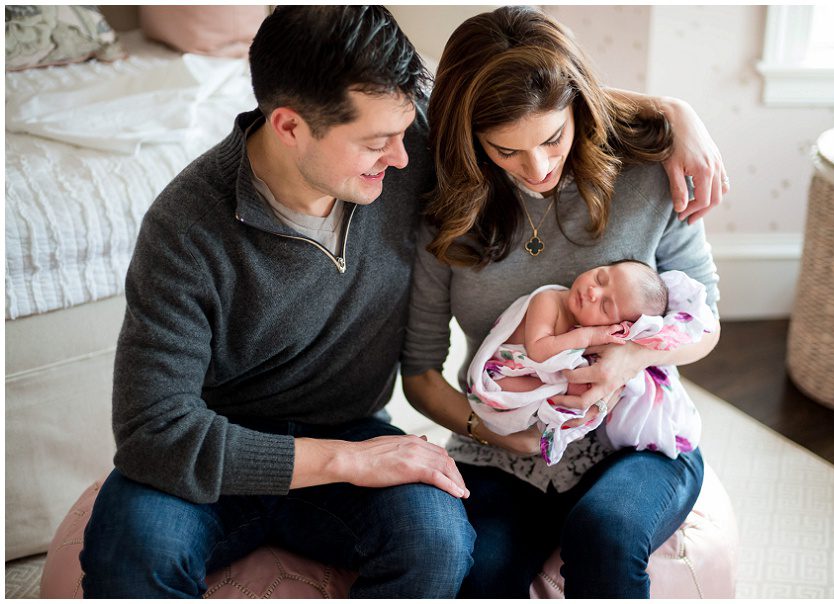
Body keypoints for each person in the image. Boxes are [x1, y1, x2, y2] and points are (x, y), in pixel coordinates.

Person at [79, 5, 724, 599]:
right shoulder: (186, 229)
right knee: (134, 549)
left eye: (405, 131)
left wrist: (675, 114)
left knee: (440, 544)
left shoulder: (400, 145)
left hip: (348, 427)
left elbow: (529, 87)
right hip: (224, 443)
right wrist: (353, 459)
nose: (404, 153)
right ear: (289, 126)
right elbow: (152, 434)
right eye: (375, 141)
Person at [401, 6, 723, 598]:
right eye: (507, 151)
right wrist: (493, 433)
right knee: (480, 574)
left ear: (577, 105)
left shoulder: (649, 175)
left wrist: (632, 359)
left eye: (553, 137)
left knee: (604, 531)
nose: (540, 166)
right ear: (470, 139)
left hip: (633, 445)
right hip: (500, 452)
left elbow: (707, 327)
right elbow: (420, 372)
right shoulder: (448, 214)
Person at [465, 260, 715, 465]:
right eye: (601, 278)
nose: (593, 292)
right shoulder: (550, 301)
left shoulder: (587, 330)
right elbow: (539, 352)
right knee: (523, 389)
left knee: (577, 390)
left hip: (542, 388)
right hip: (504, 374)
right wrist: (587, 336)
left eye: (606, 306)